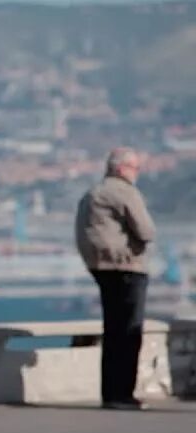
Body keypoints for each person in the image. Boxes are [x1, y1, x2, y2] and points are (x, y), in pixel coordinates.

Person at [74, 146, 157, 411]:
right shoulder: (123, 192)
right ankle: (123, 394)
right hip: (127, 266)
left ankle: (110, 393)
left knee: (112, 331)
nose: (137, 173)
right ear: (122, 169)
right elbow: (146, 230)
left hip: (100, 267)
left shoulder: (92, 193)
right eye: (135, 168)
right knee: (129, 332)